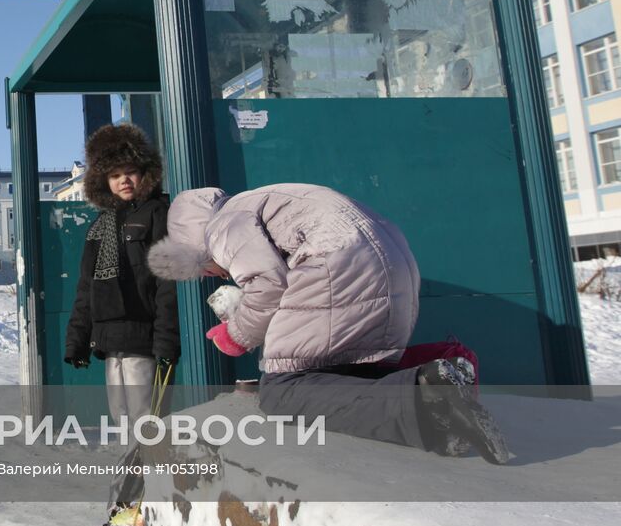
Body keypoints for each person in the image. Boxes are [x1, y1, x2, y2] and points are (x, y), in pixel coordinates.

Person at [146, 183, 510, 464]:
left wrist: (235, 335)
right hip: (393, 264)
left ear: (194, 248)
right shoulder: (260, 199)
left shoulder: (220, 226)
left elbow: (268, 283)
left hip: (338, 262)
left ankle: (426, 402)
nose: (215, 274)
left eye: (207, 269)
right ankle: (440, 371)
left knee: (283, 390)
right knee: (343, 372)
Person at [64, 124, 180, 429]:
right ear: (104, 181)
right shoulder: (100, 225)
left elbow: (167, 282)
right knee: (121, 418)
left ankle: (150, 476)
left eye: (129, 171)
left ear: (144, 172)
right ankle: (132, 475)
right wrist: (77, 340)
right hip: (108, 339)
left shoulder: (158, 213)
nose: (123, 180)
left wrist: (166, 340)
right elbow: (87, 287)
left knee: (147, 419)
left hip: (144, 336)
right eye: (115, 175)